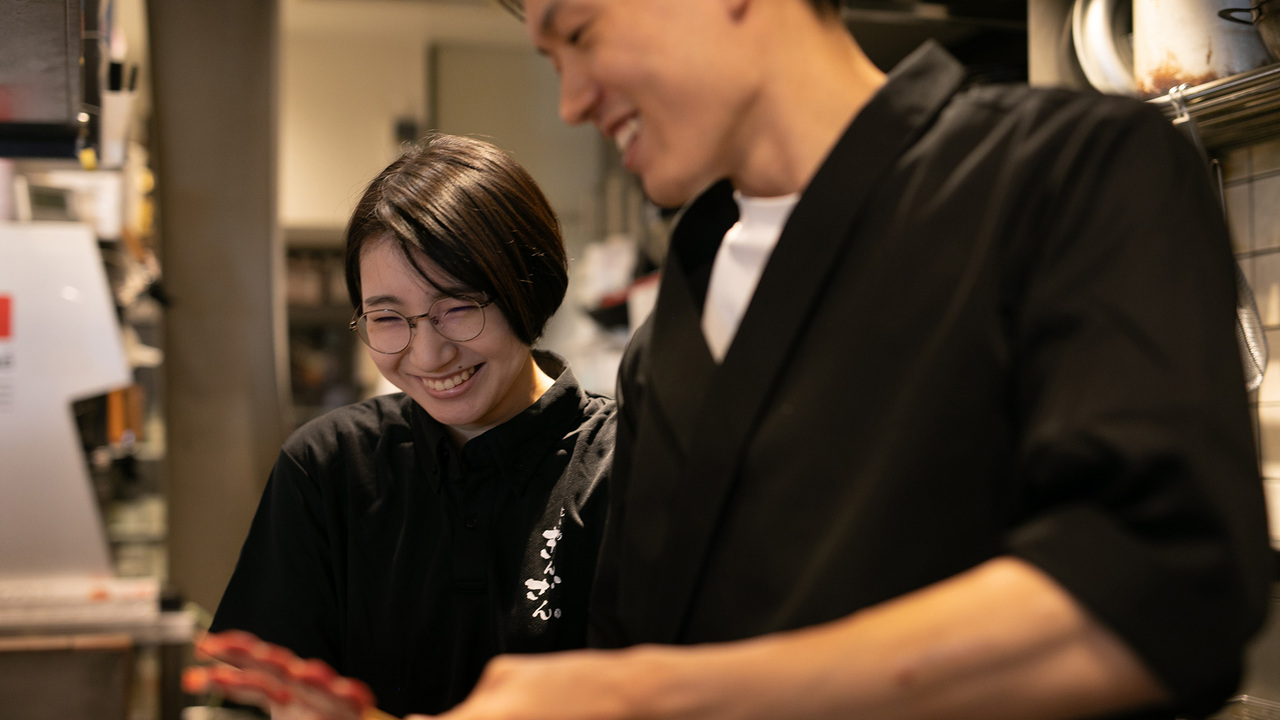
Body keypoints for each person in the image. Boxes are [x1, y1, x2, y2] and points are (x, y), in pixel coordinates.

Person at [411, 1, 1271, 719]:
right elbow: (634, 634)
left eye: (583, 33)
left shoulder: (1066, 174)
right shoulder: (672, 331)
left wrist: (651, 694)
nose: (570, 102)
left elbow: (1160, 593)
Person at [202, 133, 615, 718]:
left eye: (458, 307)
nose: (427, 355)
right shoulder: (328, 466)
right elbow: (249, 694)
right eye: (388, 318)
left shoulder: (623, 465)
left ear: (529, 286)